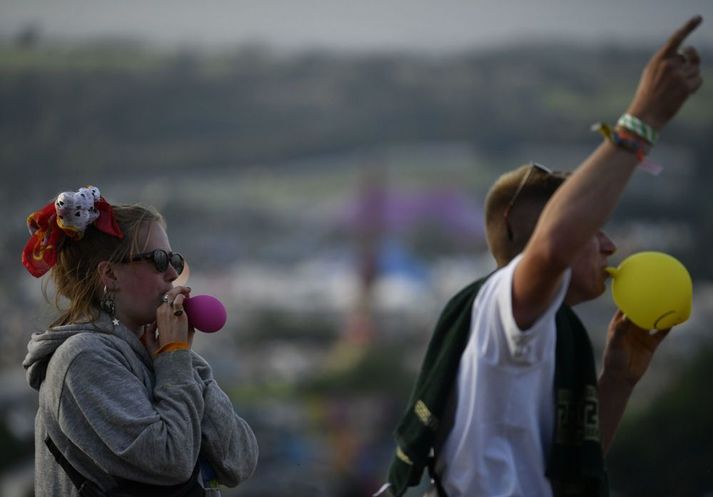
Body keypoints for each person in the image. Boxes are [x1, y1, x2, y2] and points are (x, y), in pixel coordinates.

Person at [384, 16, 703, 497]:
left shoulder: (542, 333)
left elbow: (560, 471)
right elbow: (554, 246)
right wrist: (643, 120)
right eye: (592, 229)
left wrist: (616, 382)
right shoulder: (502, 308)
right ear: (523, 228)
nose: (610, 246)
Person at [21, 186, 258, 497]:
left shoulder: (157, 354)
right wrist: (174, 358)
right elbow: (170, 462)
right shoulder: (83, 358)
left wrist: (182, 359)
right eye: (158, 259)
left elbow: (239, 460)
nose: (173, 273)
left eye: (174, 258)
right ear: (109, 275)